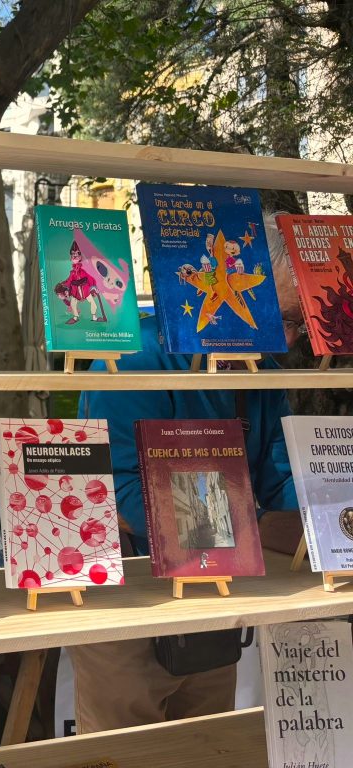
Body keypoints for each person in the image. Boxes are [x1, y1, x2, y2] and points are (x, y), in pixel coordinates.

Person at [70, 215, 302, 734]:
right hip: (128, 597)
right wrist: (251, 527)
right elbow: (112, 492)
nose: (287, 341)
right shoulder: (134, 356)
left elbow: (282, 480)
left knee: (207, 743)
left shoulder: (258, 371)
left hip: (214, 592)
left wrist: (330, 514)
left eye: (299, 326)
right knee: (122, 750)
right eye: (284, 318)